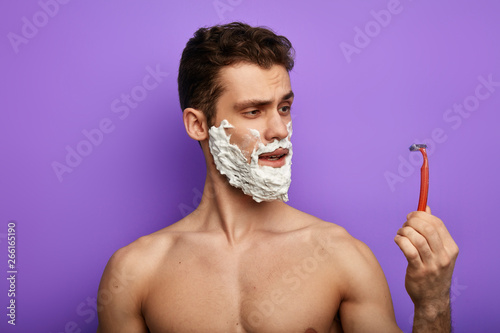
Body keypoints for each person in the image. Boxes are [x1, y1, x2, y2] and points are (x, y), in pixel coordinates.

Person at [97, 22, 458, 332]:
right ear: (198, 124)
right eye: (253, 111)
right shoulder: (135, 272)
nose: (279, 129)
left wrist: (433, 304)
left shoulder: (340, 256)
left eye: (284, 108)